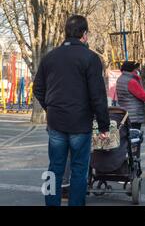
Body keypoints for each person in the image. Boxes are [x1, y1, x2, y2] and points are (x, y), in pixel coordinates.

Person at [33, 15, 110, 206]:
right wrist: (104, 126)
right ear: (84, 34)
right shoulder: (91, 58)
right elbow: (98, 96)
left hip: (56, 122)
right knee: (79, 170)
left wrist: (50, 107)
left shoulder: (50, 57)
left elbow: (38, 88)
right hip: (80, 123)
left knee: (54, 168)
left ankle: (51, 203)